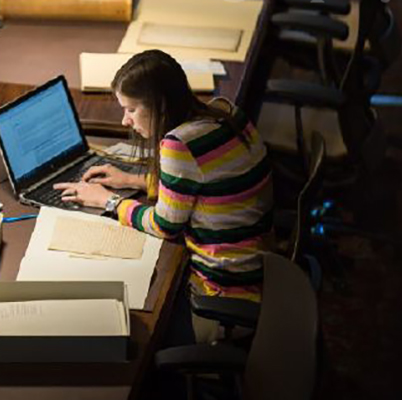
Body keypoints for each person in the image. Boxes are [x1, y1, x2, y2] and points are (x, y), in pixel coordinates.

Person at [54, 50, 274, 341]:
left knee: (127, 325)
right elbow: (205, 184)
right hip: (262, 272)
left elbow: (165, 225)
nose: (125, 121)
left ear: (159, 105)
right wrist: (136, 180)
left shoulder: (178, 145)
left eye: (131, 110)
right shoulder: (224, 112)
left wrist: (108, 201)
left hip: (223, 295)